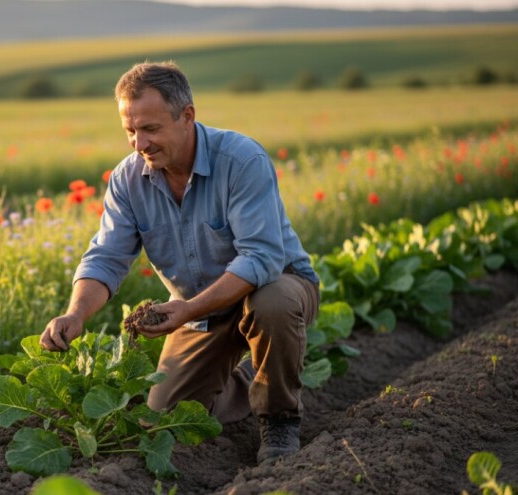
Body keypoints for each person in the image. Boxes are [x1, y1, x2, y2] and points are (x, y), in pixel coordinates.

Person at [39, 61, 320, 466]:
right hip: (202, 310)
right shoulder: (128, 180)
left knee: (270, 304)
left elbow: (261, 258)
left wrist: (187, 309)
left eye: (150, 129)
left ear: (187, 116)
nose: (139, 144)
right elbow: (106, 256)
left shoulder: (240, 160)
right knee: (165, 419)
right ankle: (249, 381)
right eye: (130, 131)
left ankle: (279, 420)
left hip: (276, 285)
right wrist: (76, 313)